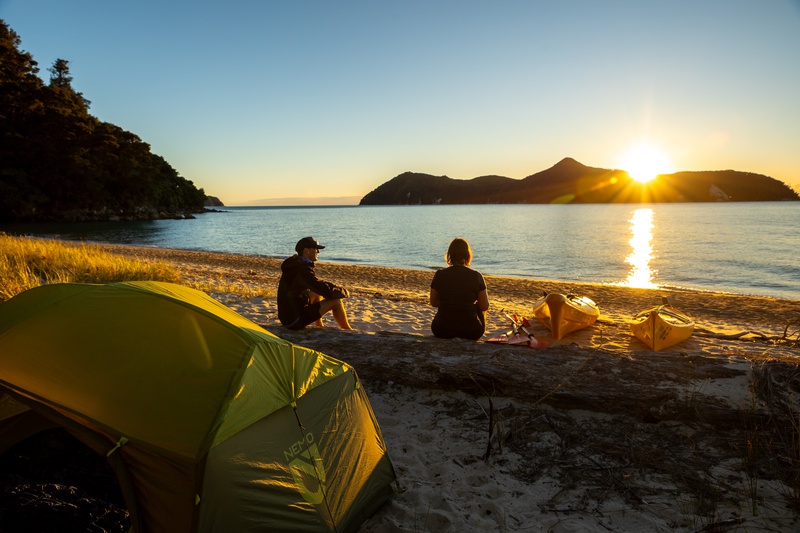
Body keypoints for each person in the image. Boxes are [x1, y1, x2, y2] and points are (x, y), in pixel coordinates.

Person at [277, 236, 354, 330]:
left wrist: (334, 287)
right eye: (316, 249)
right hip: (293, 320)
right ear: (307, 250)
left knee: (316, 292)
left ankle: (319, 325)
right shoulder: (302, 270)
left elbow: (317, 284)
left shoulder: (296, 263)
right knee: (336, 301)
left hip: (287, 315)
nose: (318, 252)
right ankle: (348, 330)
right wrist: (343, 292)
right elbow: (325, 291)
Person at [429, 237, 489, 340]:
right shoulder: (476, 276)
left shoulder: (439, 275)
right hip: (471, 331)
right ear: (468, 255)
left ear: (450, 254)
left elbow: (434, 303)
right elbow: (484, 306)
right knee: (479, 306)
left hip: (441, 330)